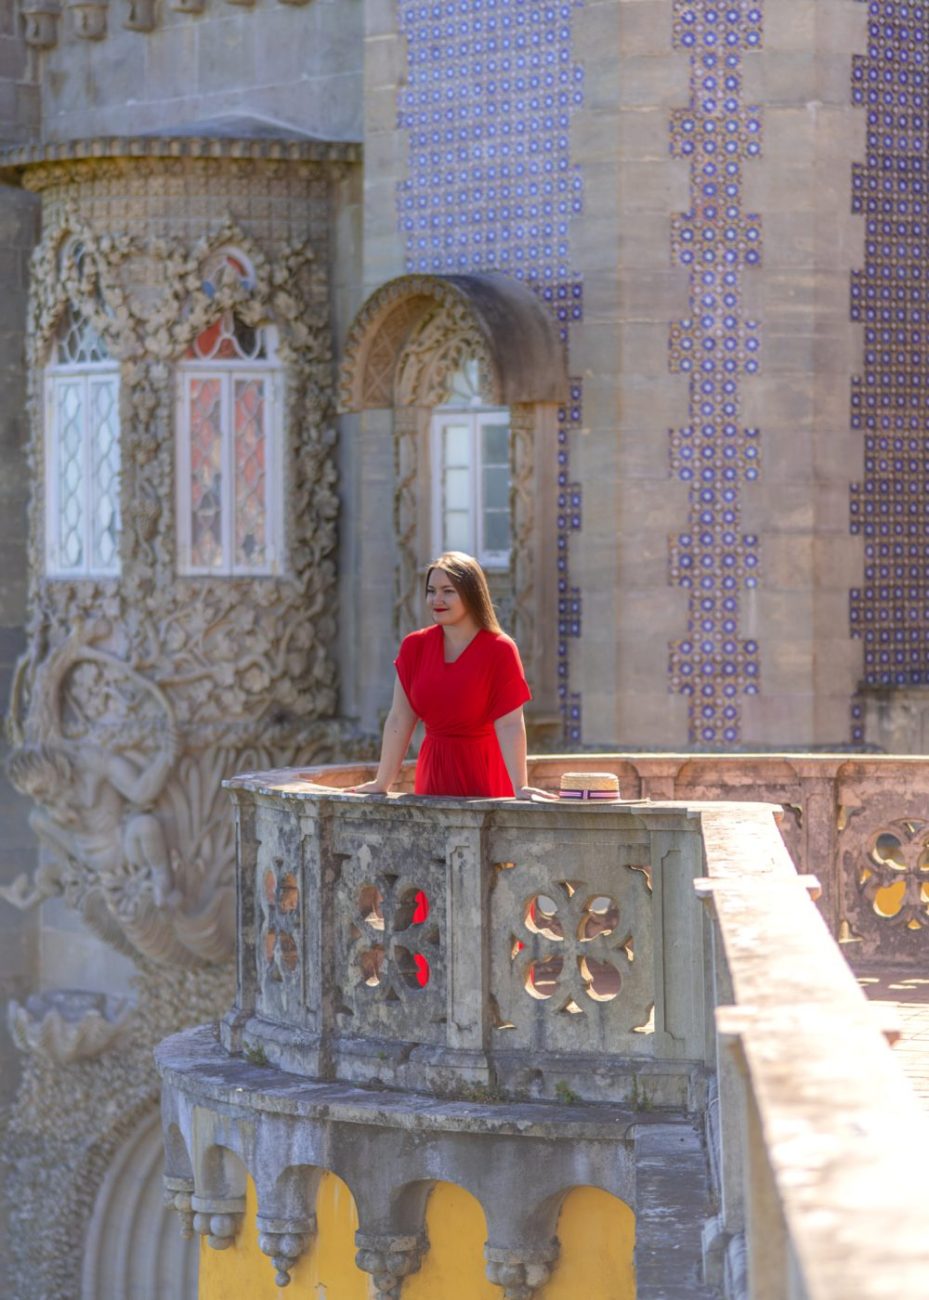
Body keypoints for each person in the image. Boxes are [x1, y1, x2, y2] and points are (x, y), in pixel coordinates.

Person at [347, 552, 547, 799]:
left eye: (448, 591)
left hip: (485, 775)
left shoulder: (500, 649)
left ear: (472, 594)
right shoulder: (414, 646)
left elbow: (510, 724)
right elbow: (400, 718)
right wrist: (382, 783)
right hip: (433, 773)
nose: (436, 599)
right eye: (431, 591)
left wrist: (520, 786)